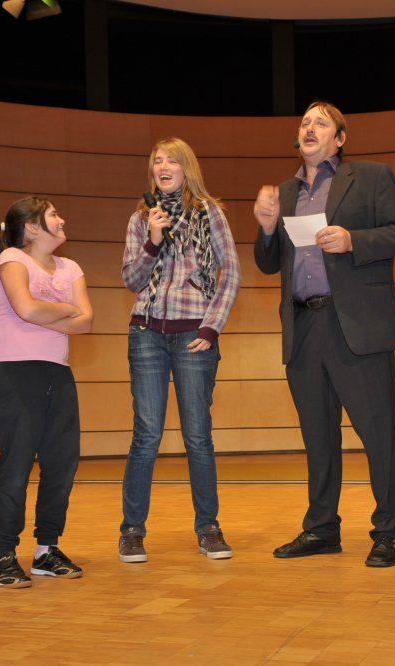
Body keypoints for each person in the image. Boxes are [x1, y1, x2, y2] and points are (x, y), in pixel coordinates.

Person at [253, 101, 395, 567]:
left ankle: (388, 531)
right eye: (305, 122)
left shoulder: (371, 178)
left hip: (357, 327)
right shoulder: (286, 192)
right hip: (304, 326)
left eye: (320, 123)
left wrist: (353, 240)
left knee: (378, 432)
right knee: (318, 436)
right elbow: (269, 264)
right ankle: (322, 528)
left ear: (339, 139)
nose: (310, 128)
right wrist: (267, 229)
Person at [118, 137, 241, 563]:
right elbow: (132, 280)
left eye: (172, 160)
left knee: (197, 435)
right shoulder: (141, 219)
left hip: (194, 333)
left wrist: (212, 326)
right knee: (146, 434)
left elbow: (231, 272)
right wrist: (153, 239)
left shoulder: (210, 213)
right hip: (147, 331)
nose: (163, 167)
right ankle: (132, 531)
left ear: (187, 168)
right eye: (157, 161)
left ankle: (209, 528)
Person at [0, 197, 93, 588]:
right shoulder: (12, 258)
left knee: (62, 463)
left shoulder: (71, 268)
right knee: (16, 464)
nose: (62, 220)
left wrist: (50, 312)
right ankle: (3, 554)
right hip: (15, 371)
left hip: (57, 372)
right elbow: (26, 309)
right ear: (32, 227)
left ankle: (47, 549)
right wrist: (65, 310)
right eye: (53, 215)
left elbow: (87, 321)